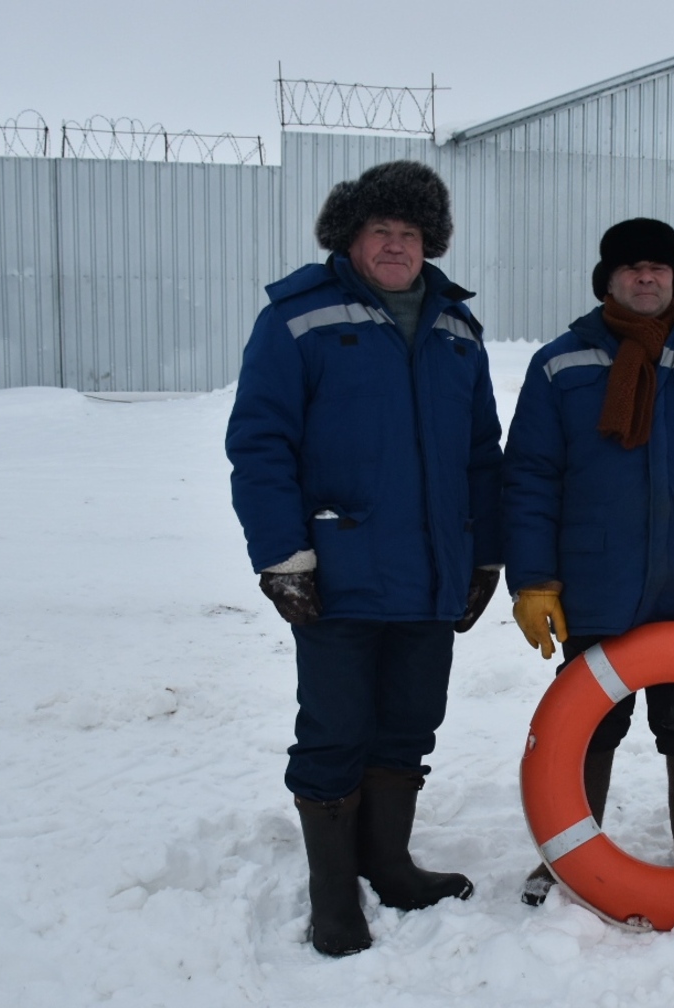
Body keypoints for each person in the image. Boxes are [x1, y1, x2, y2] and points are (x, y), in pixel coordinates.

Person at [226, 161, 503, 956]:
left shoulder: (457, 330)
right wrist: (283, 556)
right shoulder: (297, 319)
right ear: (350, 237)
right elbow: (261, 445)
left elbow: (481, 455)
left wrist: (485, 557)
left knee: (410, 723)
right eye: (380, 229)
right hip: (340, 571)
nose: (395, 245)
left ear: (430, 243)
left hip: (432, 574)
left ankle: (388, 864)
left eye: (410, 232)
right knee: (336, 728)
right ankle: (332, 891)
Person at [501, 218, 674, 906]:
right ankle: (569, 855)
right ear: (608, 280)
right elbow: (529, 478)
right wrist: (534, 581)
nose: (646, 276)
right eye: (631, 267)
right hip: (595, 581)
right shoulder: (561, 364)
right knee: (588, 721)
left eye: (659, 267)